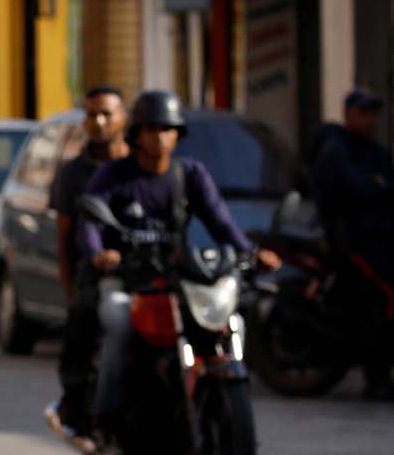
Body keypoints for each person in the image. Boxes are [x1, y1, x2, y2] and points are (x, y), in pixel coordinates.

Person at [77, 91, 281, 435]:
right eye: (152, 129)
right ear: (137, 134)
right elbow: (89, 224)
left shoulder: (189, 174)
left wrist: (250, 252)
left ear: (177, 135)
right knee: (120, 323)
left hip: (176, 278)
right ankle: (106, 415)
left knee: (223, 321)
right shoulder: (113, 176)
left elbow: (221, 222)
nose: (160, 137)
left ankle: (211, 400)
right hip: (127, 280)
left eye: (167, 129)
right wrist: (101, 253)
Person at [310, 89, 394, 400]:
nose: (370, 120)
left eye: (373, 114)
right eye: (363, 113)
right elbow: (360, 189)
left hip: (379, 236)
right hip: (351, 240)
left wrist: (377, 187)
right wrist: (374, 186)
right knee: (385, 296)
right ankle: (377, 375)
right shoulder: (336, 149)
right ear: (349, 114)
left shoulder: (375, 151)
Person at [48, 85, 130, 435]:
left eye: (106, 113)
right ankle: (75, 407)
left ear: (123, 118)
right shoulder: (73, 173)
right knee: (82, 320)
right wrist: (71, 290)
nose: (98, 122)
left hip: (145, 270)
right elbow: (65, 239)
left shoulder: (139, 165)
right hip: (95, 272)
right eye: (91, 114)